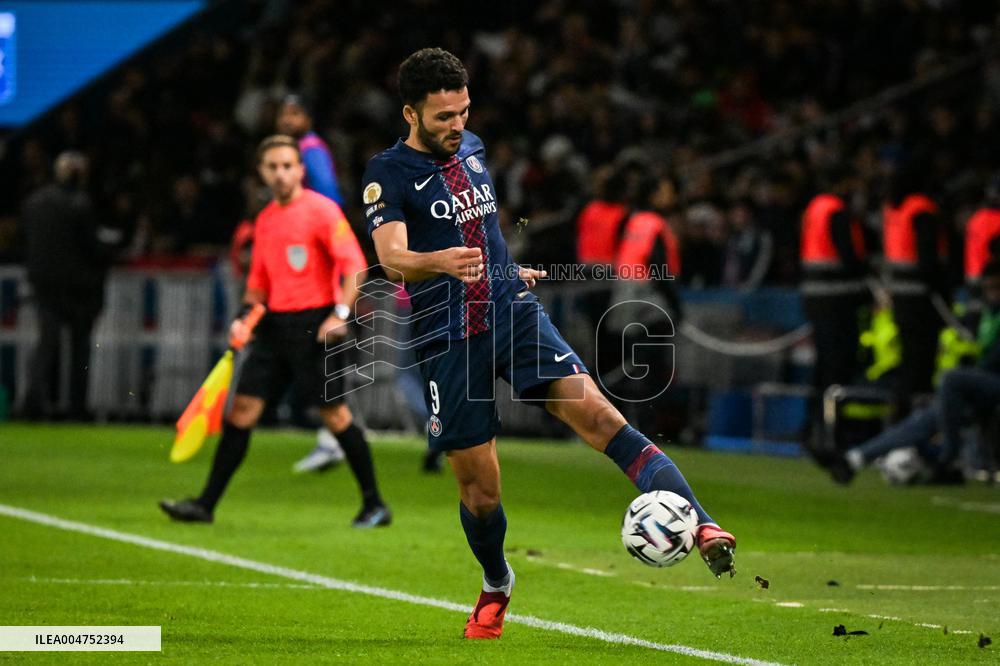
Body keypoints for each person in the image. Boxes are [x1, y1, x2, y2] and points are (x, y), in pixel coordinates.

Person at [363, 48, 736, 640]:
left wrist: (507, 271)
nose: (457, 125)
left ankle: (705, 524)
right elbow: (392, 260)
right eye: (442, 118)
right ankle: (496, 580)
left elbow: (483, 232)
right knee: (479, 488)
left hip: (512, 313)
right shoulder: (388, 174)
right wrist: (443, 261)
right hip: (448, 336)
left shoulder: (475, 148)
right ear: (410, 113)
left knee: (601, 417)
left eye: (462, 111)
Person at [160, 135, 390, 528]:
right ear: (262, 173)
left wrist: (339, 313)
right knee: (242, 413)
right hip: (273, 328)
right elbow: (258, 284)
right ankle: (205, 504)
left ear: (300, 170)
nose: (281, 174)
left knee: (335, 416)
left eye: (288, 166)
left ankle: (375, 504)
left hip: (314, 326)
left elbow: (355, 266)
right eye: (273, 167)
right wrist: (244, 316)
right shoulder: (265, 220)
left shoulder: (322, 211)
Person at [829, 259, 1000, 485]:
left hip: (989, 381)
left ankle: (948, 461)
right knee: (930, 415)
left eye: (996, 287)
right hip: (981, 384)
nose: (991, 293)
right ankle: (855, 458)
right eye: (988, 288)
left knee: (951, 381)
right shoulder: (986, 315)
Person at [276, 93, 353, 473]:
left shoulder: (310, 150)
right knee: (318, 353)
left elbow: (330, 201)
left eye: (295, 113)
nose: (287, 120)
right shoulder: (297, 154)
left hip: (321, 264)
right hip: (314, 263)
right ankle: (330, 436)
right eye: (284, 114)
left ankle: (334, 437)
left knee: (320, 351)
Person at [21, 151, 119, 420]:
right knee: (79, 349)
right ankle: (77, 407)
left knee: (46, 345)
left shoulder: (34, 202)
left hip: (44, 286)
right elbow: (92, 247)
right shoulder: (79, 204)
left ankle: (33, 402)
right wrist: (111, 254)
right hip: (78, 289)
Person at [800, 172, 870, 406]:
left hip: (814, 296)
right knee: (838, 365)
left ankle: (814, 425)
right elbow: (848, 257)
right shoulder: (837, 211)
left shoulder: (814, 208)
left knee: (822, 364)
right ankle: (833, 425)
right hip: (838, 300)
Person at [881, 172, 950, 406]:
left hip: (900, 297)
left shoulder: (894, 209)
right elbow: (928, 259)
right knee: (922, 366)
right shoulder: (922, 209)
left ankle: (901, 419)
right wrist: (943, 292)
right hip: (923, 300)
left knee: (908, 363)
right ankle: (914, 425)